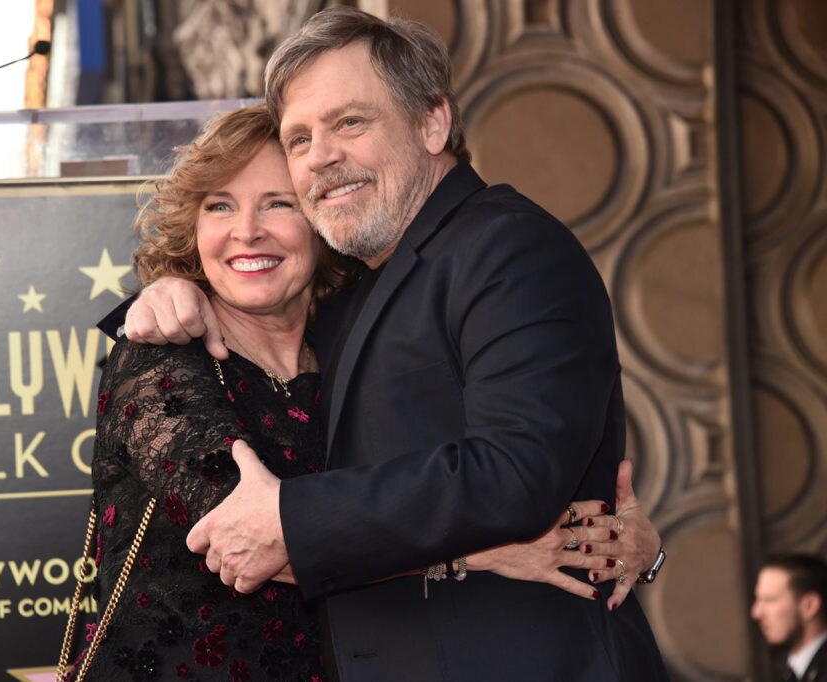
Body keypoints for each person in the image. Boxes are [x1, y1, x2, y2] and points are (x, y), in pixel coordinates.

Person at [107, 7, 669, 680]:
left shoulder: (507, 246)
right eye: (300, 138)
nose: (321, 156)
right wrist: (177, 291)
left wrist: (294, 518)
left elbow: (518, 470)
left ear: (433, 123)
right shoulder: (350, 302)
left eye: (350, 121)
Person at [751, 554, 827, 682]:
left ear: (809, 606)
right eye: (758, 600)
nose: (756, 613)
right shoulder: (794, 673)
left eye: (769, 600)